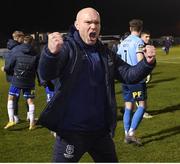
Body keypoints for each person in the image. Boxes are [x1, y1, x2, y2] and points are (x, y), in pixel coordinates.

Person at [37, 8, 156, 162]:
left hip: (100, 132)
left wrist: (147, 62)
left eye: (96, 23)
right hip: (71, 132)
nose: (93, 26)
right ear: (77, 24)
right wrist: (50, 54)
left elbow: (128, 75)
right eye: (88, 22)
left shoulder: (106, 53)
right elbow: (46, 75)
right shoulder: (68, 48)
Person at [117, 19, 150, 146]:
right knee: (142, 106)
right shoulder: (139, 42)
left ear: (130, 28)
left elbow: (118, 59)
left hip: (125, 79)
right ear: (140, 29)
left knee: (128, 106)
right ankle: (131, 134)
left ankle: (126, 133)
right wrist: (145, 73)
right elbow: (140, 60)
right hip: (136, 79)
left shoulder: (123, 42)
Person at [3, 35, 39, 130]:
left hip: (17, 80)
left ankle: (11, 120)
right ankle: (32, 123)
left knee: (11, 98)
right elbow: (38, 68)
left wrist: (5, 68)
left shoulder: (17, 51)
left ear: (23, 42)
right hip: (30, 82)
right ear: (32, 43)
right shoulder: (36, 54)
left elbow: (10, 65)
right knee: (30, 101)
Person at [1, 31, 28, 124]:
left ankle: (15, 117)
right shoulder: (18, 48)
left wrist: (6, 68)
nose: (23, 39)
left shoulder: (10, 48)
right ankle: (28, 116)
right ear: (18, 38)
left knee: (14, 97)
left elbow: (8, 64)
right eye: (22, 37)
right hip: (20, 75)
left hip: (12, 76)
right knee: (27, 96)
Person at [140, 30, 153, 119]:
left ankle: (127, 109)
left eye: (149, 36)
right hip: (137, 74)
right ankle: (142, 112)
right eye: (146, 37)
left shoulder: (145, 45)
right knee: (141, 93)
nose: (148, 38)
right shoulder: (140, 45)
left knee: (134, 94)